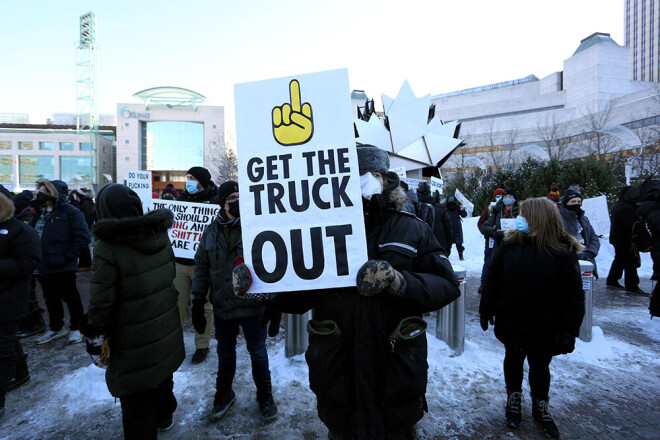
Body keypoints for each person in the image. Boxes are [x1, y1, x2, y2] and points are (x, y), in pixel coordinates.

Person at [234, 144, 461, 440]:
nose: (366, 179)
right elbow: (302, 295)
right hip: (338, 374)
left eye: (374, 173)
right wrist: (263, 289)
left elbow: (446, 284)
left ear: (386, 178)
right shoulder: (317, 231)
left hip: (396, 372)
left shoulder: (412, 228)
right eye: (357, 173)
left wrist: (399, 281)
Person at [83, 184, 184, 439]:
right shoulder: (159, 234)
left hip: (131, 335)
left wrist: (95, 333)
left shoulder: (107, 247)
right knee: (161, 371)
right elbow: (169, 274)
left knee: (136, 399)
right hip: (164, 323)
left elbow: (101, 302)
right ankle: (164, 414)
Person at [479, 197, 585, 439]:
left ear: (538, 218)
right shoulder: (510, 244)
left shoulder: (562, 249)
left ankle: (540, 404)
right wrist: (486, 308)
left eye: (523, 214)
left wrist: (569, 330)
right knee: (513, 359)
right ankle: (513, 397)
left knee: (540, 365)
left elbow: (574, 296)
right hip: (512, 320)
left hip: (546, 324)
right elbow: (492, 281)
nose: (519, 218)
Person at [190, 180, 279, 421]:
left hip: (254, 307)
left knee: (258, 354)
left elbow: (270, 264)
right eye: (232, 198)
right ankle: (224, 394)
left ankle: (265, 396)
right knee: (225, 355)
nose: (237, 202)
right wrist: (197, 301)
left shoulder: (255, 228)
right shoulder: (210, 231)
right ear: (223, 202)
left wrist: (275, 303)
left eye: (240, 197)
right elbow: (201, 267)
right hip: (224, 308)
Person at [31, 179, 90, 345]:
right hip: (43, 265)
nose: (40, 193)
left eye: (44, 190)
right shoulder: (39, 212)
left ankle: (77, 328)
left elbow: (83, 237)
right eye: (39, 190)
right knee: (50, 298)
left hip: (63, 265)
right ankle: (56, 327)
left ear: (53, 193)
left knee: (71, 297)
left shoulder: (70, 212)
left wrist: (67, 256)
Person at [0, 192, 40, 419]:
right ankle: (20, 372)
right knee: (7, 338)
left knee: (2, 346)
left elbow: (29, 261)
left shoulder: (20, 230)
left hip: (10, 298)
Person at [174, 166, 218, 364]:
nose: (188, 181)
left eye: (192, 177)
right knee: (177, 305)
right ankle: (175, 344)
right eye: (187, 177)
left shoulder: (215, 200)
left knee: (204, 306)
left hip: (203, 264)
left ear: (202, 180)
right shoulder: (181, 199)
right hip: (180, 262)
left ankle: (202, 345)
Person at [11, 191, 46, 338]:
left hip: (26, 263)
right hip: (23, 262)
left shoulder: (28, 217)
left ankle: (34, 323)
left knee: (28, 295)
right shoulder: (24, 216)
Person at [607, 186, 645, 294]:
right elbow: (629, 227)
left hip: (617, 238)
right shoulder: (627, 208)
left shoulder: (620, 205)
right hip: (625, 239)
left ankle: (612, 280)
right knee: (630, 262)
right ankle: (632, 286)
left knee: (619, 259)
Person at [559, 189, 600, 279]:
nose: (576, 204)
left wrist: (590, 253)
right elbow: (560, 241)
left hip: (587, 260)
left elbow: (594, 237)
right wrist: (580, 256)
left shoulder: (584, 219)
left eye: (579, 201)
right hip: (568, 262)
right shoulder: (558, 219)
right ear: (566, 203)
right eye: (573, 201)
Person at [477, 188, 504, 294]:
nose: (500, 198)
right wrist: (489, 232)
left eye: (501, 196)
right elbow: (481, 223)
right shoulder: (488, 208)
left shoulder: (505, 209)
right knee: (488, 262)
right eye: (498, 196)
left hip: (501, 241)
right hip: (490, 242)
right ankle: (483, 284)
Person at [417, 181, 452, 255]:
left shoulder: (414, 208)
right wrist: (448, 246)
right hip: (439, 249)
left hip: (419, 251)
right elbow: (448, 229)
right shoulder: (440, 209)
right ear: (429, 193)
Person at [69, 190, 95, 272]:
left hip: (85, 225)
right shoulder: (83, 202)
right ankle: (85, 264)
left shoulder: (85, 203)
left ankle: (86, 264)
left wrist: (83, 225)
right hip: (85, 225)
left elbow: (87, 215)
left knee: (84, 245)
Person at [446, 195, 468, 260]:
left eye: (453, 201)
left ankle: (460, 255)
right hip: (449, 228)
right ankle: (446, 255)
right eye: (450, 201)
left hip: (457, 227)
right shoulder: (446, 209)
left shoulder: (457, 208)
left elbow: (464, 215)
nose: (451, 202)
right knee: (448, 243)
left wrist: (462, 209)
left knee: (459, 244)